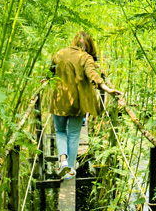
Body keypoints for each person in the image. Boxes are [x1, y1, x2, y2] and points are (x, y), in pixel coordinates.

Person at [50, 31, 121, 179]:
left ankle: (62, 160)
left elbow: (51, 71)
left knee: (60, 131)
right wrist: (107, 89)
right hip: (77, 103)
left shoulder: (60, 53)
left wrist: (46, 79)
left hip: (58, 100)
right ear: (89, 46)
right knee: (74, 135)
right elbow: (93, 74)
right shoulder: (85, 57)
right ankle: (69, 170)